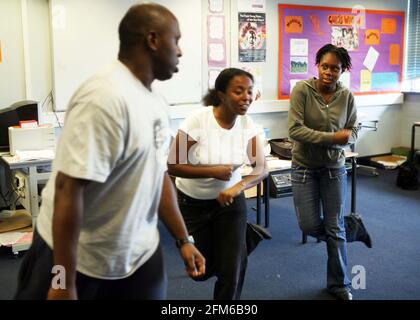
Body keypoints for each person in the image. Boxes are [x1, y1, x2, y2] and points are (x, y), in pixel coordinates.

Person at [15, 3, 205, 300]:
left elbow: (157, 176)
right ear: (152, 40)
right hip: (77, 257)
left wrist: (184, 239)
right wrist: (62, 281)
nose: (180, 51)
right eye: (176, 40)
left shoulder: (154, 99)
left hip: (137, 254)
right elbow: (67, 190)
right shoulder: (104, 98)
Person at [167, 68, 268, 300]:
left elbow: (261, 168)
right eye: (238, 91)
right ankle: (242, 245)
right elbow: (172, 166)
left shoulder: (246, 124)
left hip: (230, 203)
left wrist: (238, 186)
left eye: (250, 91)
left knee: (231, 270)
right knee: (200, 271)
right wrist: (213, 171)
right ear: (221, 95)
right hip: (192, 203)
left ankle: (235, 255)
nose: (246, 97)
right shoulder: (198, 121)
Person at [288, 43, 371, 300]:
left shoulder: (347, 97)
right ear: (317, 66)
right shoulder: (302, 90)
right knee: (309, 225)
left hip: (334, 169)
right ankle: (351, 228)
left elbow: (353, 131)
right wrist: (334, 137)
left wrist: (343, 139)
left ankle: (339, 283)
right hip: (304, 168)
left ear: (342, 70)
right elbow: (295, 130)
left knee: (334, 229)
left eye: (335, 68)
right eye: (325, 66)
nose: (329, 72)